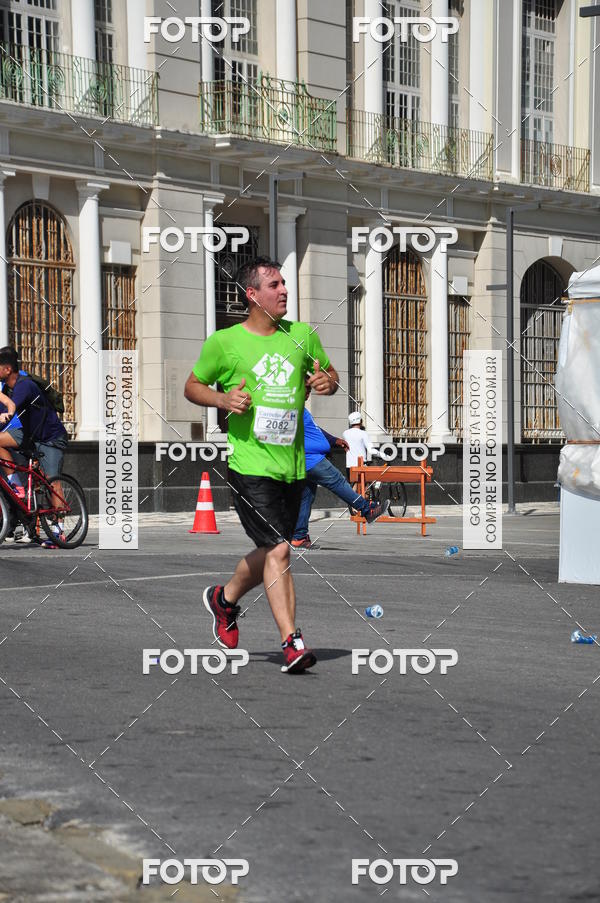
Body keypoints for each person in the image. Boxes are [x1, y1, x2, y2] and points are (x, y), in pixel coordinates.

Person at [184, 256, 339, 674]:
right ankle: (292, 642)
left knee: (271, 549)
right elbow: (193, 386)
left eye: (284, 283)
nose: (284, 290)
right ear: (252, 294)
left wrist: (327, 382)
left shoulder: (302, 335)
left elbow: (330, 374)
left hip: (292, 464)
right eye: (274, 285)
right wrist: (222, 399)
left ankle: (224, 600)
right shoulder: (224, 342)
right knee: (281, 550)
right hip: (249, 464)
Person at [291, 393, 390, 549]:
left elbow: (315, 430)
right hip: (310, 458)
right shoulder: (290, 406)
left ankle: (299, 537)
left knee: (307, 496)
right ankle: (367, 509)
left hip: (307, 460)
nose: (308, 393)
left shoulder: (300, 408)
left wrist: (333, 440)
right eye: (306, 388)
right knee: (337, 480)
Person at [0, 348, 69, 546]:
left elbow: (9, 412)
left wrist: (4, 416)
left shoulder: (25, 386)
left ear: (7, 369)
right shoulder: (7, 389)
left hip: (50, 437)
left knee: (52, 481)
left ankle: (58, 531)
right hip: (30, 434)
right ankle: (16, 486)